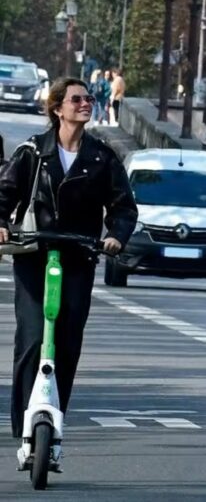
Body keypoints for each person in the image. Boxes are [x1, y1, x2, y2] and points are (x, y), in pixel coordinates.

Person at [0, 76, 137, 470]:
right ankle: (24, 424)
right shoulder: (33, 152)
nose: (85, 104)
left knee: (68, 340)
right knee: (31, 338)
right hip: (34, 255)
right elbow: (4, 194)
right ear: (57, 108)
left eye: (89, 98)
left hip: (78, 257)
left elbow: (124, 207)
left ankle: (54, 420)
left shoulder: (102, 156)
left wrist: (115, 237)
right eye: (76, 99)